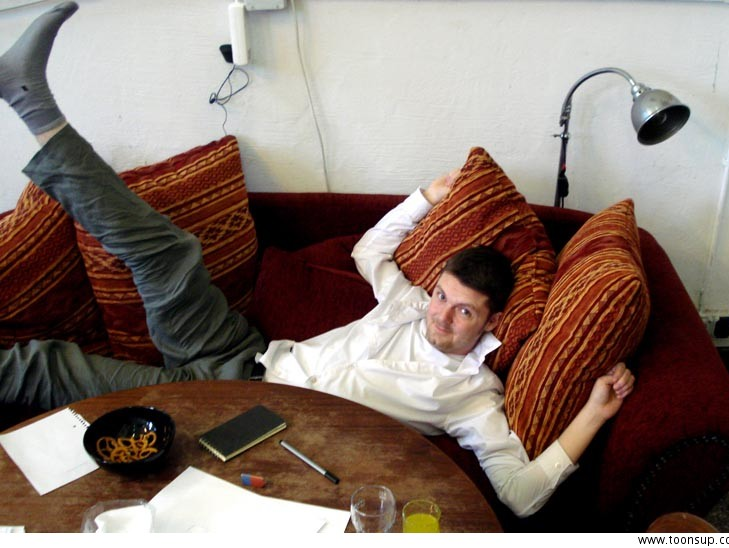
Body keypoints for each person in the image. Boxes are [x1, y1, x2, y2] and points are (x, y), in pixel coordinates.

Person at [0, 2, 635, 519]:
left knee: (43, 368)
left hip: (236, 413)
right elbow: (370, 249)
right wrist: (425, 198)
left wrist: (593, 413)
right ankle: (32, 100)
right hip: (240, 349)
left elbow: (520, 495)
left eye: (462, 312)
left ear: (490, 322)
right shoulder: (411, 303)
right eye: (442, 296)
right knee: (169, 251)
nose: (440, 316)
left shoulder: (470, 396)